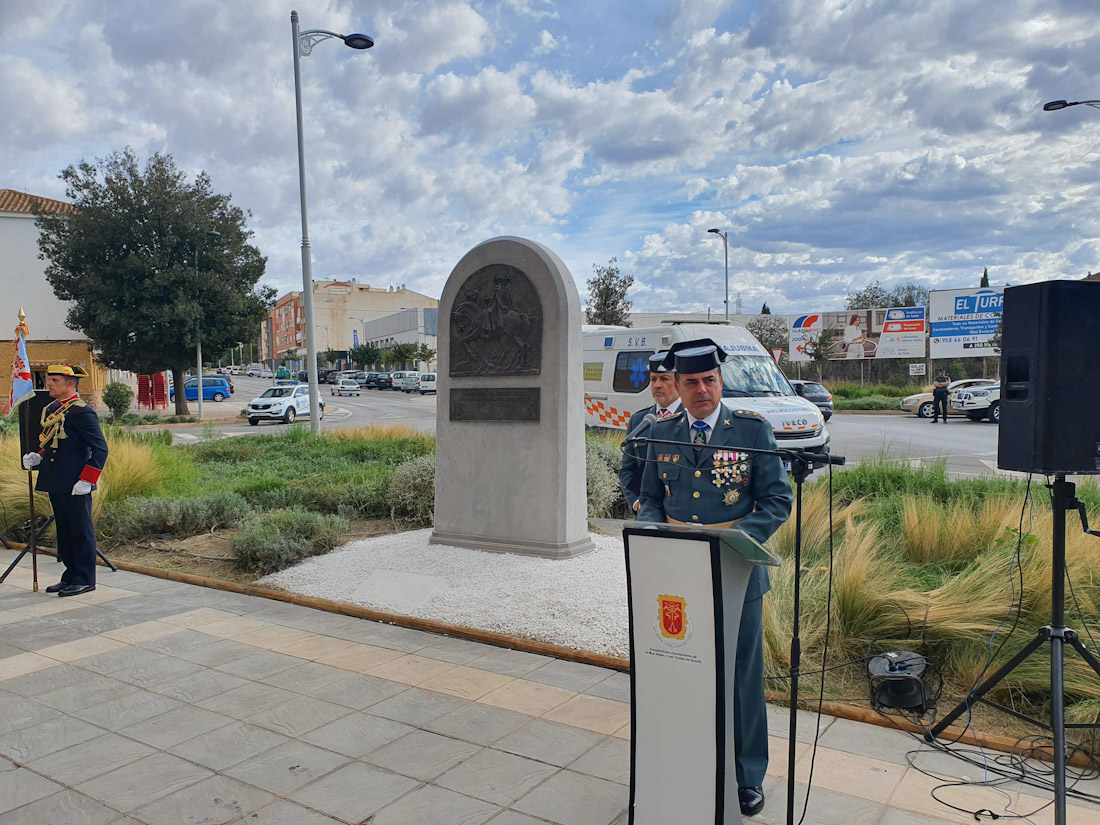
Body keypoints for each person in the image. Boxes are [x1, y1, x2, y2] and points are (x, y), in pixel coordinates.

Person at [637, 339, 793, 817]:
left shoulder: (749, 430)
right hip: (678, 576)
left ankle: (748, 776)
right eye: (691, 382)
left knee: (742, 678)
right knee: (682, 670)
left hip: (735, 571)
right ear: (677, 387)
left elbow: (776, 500)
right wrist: (653, 534)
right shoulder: (661, 432)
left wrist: (734, 539)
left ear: (720, 382)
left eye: (709, 381)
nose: (701, 389)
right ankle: (691, 758)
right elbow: (649, 498)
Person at [21, 365, 108, 596]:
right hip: (57, 479)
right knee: (65, 530)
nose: (49, 384)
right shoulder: (52, 408)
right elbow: (54, 444)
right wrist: (37, 457)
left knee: (80, 530)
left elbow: (100, 449)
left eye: (55, 380)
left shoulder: (82, 412)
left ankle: (85, 578)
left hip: (75, 482)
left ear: (70, 383)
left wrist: (87, 480)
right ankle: (70, 575)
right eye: (49, 380)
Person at [619, 351, 681, 515]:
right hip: (647, 512)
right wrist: (637, 501)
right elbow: (627, 470)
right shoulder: (640, 420)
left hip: (680, 513)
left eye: (664, 379)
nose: (657, 385)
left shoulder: (691, 418)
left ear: (679, 383)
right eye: (653, 379)